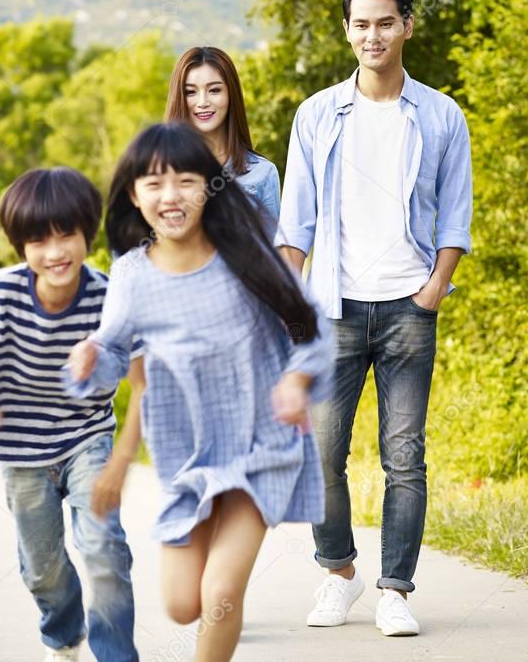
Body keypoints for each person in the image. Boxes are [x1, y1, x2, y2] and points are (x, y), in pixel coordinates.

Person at [66, 122, 334, 661]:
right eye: (154, 183)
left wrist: (297, 379)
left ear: (210, 186)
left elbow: (313, 329)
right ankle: (210, 542)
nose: (171, 196)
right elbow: (115, 354)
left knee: (220, 594)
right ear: (134, 196)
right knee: (183, 604)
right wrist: (91, 359)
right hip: (187, 454)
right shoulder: (132, 275)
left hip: (262, 447)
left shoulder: (245, 255)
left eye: (187, 180)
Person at [277, 0, 473, 637]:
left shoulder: (441, 114)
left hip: (408, 307)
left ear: (407, 26)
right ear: (347, 30)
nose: (373, 35)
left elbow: (456, 214)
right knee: (322, 452)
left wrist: (435, 286)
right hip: (332, 308)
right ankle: (338, 572)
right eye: (361, 24)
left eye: (385, 22)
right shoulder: (316, 114)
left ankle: (395, 589)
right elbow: (294, 226)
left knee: (404, 454)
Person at [0, 167, 141, 662]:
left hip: (87, 436)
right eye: (38, 240)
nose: (55, 252)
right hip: (20, 448)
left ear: (86, 234)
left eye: (66, 234)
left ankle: (115, 654)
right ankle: (64, 634)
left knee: (103, 548)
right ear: (19, 247)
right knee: (41, 568)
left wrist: (124, 455)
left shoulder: (106, 295)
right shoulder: (0, 291)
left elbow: (140, 373)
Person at [164, 46, 280, 235]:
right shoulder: (156, 169)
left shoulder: (262, 174)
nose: (202, 102)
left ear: (230, 95)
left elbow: (273, 256)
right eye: (191, 92)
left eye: (214, 90)